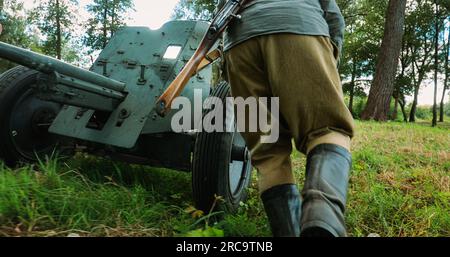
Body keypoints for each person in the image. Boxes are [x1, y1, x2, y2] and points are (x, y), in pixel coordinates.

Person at [217, 0, 355, 237]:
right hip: (298, 24)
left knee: (268, 155)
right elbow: (333, 16)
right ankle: (323, 219)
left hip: (239, 43)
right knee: (328, 129)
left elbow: (222, 10)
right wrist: (329, 59)